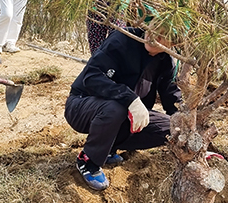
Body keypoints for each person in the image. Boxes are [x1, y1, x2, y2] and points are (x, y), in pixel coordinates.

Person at [64, 28, 181, 190]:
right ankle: (89, 160)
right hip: (82, 105)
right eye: (153, 27)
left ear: (175, 43)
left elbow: (171, 97)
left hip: (121, 116)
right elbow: (92, 77)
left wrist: (188, 128)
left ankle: (109, 149)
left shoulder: (165, 61)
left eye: (164, 35)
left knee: (172, 127)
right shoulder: (123, 39)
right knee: (117, 107)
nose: (154, 35)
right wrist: (130, 99)